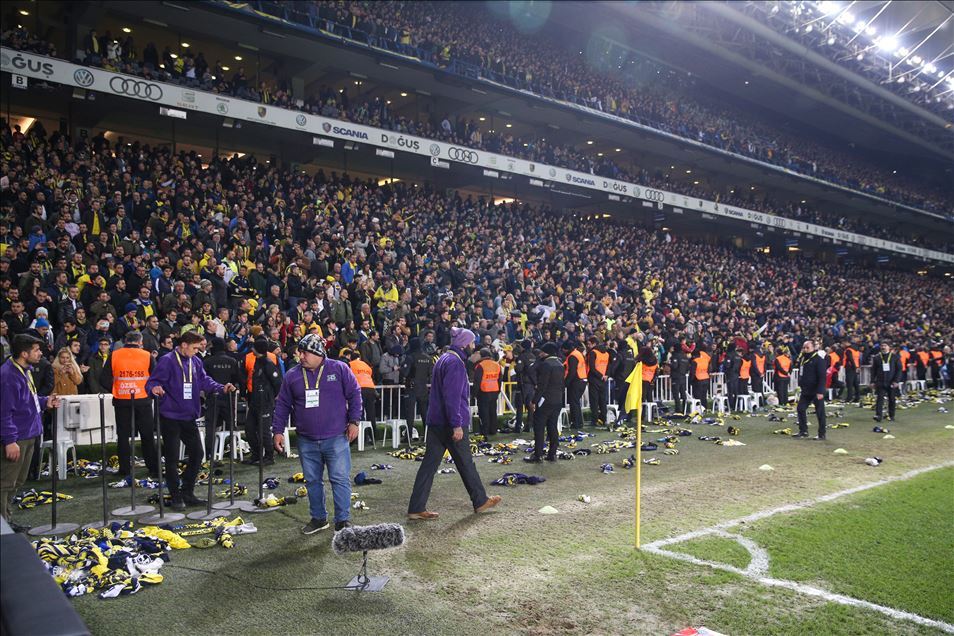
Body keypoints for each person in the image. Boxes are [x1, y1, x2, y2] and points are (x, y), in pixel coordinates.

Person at [407, 328, 501, 520]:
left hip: (436, 422)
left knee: (429, 465)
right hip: (450, 423)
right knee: (466, 462)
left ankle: (416, 507)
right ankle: (480, 500)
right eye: (472, 343)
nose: (473, 347)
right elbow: (453, 397)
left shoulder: (442, 359)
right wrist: (456, 424)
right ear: (465, 344)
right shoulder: (456, 363)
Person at [272, 334, 362, 534]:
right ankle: (319, 518)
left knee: (339, 479)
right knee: (312, 481)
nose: (300, 356)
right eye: (300, 352)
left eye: (305, 352)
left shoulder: (339, 369)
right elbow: (282, 405)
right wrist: (277, 431)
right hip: (307, 439)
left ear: (318, 353)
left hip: (337, 436)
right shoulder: (293, 375)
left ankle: (343, 520)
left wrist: (354, 421)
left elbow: (355, 393)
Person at [145, 331, 236, 510]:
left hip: (189, 417)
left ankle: (187, 491)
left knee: (197, 453)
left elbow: (204, 381)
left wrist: (221, 387)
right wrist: (154, 388)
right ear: (184, 344)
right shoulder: (168, 360)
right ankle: (176, 495)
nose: (197, 351)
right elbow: (152, 382)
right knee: (171, 457)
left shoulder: (196, 361)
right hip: (170, 416)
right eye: (195, 347)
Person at [1, 335, 60, 529]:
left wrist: (45, 402)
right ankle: (3, 527)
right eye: (36, 350)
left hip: (29, 433)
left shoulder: (23, 371)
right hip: (17, 437)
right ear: (24, 354)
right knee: (5, 483)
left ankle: (7, 520)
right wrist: (10, 440)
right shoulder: (8, 376)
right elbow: (4, 412)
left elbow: (27, 401)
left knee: (17, 481)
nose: (41, 353)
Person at [100, 331, 158, 480]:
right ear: (140, 341)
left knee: (123, 437)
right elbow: (156, 378)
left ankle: (124, 469)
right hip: (143, 400)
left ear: (126, 341)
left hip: (121, 400)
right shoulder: (147, 355)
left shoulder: (114, 355)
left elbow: (103, 378)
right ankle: (153, 467)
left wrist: (115, 389)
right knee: (147, 436)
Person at [203, 337, 243, 461]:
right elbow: (238, 379)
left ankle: (209, 453)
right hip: (228, 397)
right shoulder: (232, 361)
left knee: (211, 426)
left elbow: (203, 380)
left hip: (212, 397)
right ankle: (234, 450)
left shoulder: (207, 362)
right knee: (231, 425)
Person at [244, 337, 282, 466]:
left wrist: (270, 397)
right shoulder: (258, 362)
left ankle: (269, 456)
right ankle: (256, 454)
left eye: (254, 347)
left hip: (265, 403)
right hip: (255, 401)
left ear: (257, 349)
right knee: (249, 429)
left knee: (264, 431)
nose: (252, 349)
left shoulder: (267, 364)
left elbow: (277, 382)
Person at [528, 343, 564, 462]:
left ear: (546, 352)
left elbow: (542, 385)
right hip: (557, 399)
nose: (540, 354)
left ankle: (538, 455)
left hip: (545, 400)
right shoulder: (560, 364)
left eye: (542, 352)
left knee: (539, 427)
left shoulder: (546, 365)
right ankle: (552, 453)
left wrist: (534, 401)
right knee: (552, 427)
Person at [794, 340, 828, 440]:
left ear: (813, 348)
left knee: (820, 412)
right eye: (804, 347)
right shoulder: (803, 359)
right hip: (806, 390)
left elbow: (822, 377)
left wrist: (820, 391)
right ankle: (803, 431)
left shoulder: (819, 360)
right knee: (800, 408)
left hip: (816, 390)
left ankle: (822, 434)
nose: (805, 349)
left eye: (807, 347)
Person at [871, 341, 902, 423]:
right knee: (879, 399)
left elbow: (899, 370)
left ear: (889, 347)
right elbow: (873, 370)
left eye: (885, 346)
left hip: (891, 381)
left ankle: (891, 415)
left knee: (891, 399)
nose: (883, 347)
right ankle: (878, 415)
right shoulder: (877, 357)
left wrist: (896, 381)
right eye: (882, 346)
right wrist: (872, 381)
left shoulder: (895, 357)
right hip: (880, 381)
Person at [473, 348, 501, 437]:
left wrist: (474, 393)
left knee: (484, 412)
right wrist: (498, 390)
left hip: (483, 391)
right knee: (493, 412)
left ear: (481, 355)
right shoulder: (497, 365)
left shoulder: (480, 365)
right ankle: (493, 430)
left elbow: (477, 381)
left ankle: (484, 431)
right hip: (494, 391)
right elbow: (499, 380)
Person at [586, 337, 609, 427]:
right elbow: (609, 366)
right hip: (604, 379)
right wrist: (606, 375)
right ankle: (603, 419)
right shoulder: (606, 353)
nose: (588, 346)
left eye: (589, 344)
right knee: (602, 400)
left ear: (593, 344)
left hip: (594, 379)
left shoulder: (593, 353)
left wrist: (600, 375)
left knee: (594, 401)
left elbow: (592, 367)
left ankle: (595, 420)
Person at [563, 341, 586, 430]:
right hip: (582, 380)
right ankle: (579, 422)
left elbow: (572, 372)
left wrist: (566, 383)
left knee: (574, 403)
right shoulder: (577, 353)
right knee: (576, 403)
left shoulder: (572, 356)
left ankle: (576, 423)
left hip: (576, 381)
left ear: (566, 349)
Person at [670, 340, 691, 415]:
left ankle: (678, 410)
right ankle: (685, 409)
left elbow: (675, 366)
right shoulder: (684, 356)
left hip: (676, 377)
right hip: (683, 377)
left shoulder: (675, 356)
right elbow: (688, 367)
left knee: (676, 394)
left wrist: (669, 364)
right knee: (683, 394)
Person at [689, 343, 711, 412]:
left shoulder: (695, 361)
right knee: (704, 396)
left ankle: (698, 410)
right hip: (706, 379)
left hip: (698, 380)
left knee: (697, 396)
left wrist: (690, 381)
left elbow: (692, 372)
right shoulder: (705, 361)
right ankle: (705, 409)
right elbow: (709, 369)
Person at [843, 339, 862, 405]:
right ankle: (857, 397)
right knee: (855, 383)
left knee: (849, 383)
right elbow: (858, 359)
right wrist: (858, 367)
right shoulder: (856, 350)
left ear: (847, 342)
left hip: (850, 367)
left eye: (844, 343)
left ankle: (849, 397)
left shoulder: (848, 350)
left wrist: (854, 367)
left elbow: (850, 359)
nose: (843, 344)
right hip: (856, 367)